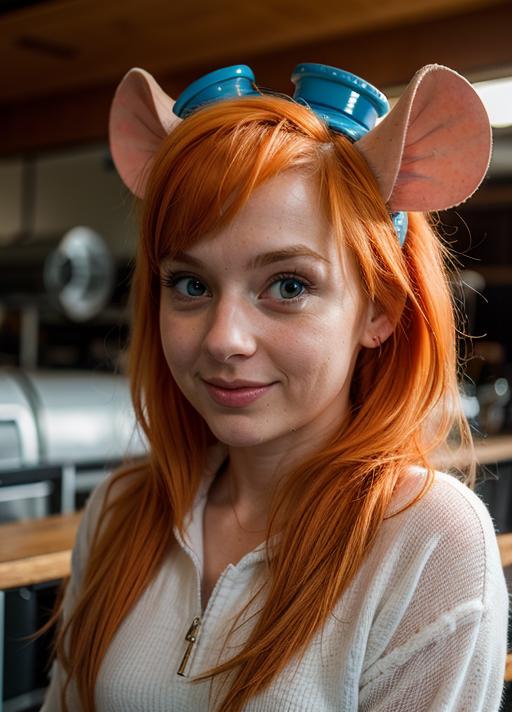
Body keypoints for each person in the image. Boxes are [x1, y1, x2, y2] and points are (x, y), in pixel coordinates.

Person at [40, 62, 509, 711]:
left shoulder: (432, 543)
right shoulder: (121, 511)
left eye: (288, 286)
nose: (223, 338)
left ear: (378, 311)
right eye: (191, 284)